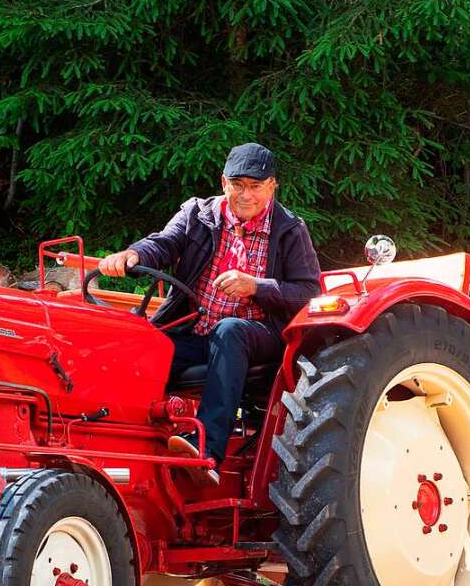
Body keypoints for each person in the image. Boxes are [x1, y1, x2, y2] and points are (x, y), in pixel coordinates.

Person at [99, 143, 321, 483]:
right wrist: (133, 254)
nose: (245, 195)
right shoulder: (198, 215)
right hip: (198, 331)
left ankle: (207, 453)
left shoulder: (290, 230)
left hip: (261, 337)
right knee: (143, 343)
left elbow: (309, 293)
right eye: (238, 185)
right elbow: (163, 243)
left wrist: (256, 287)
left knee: (230, 330)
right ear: (223, 183)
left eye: (255, 186)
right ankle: (119, 445)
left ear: (272, 186)